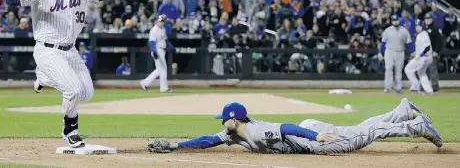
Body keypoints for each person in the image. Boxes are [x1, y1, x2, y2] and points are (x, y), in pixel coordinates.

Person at [5, 0, 133, 148]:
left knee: (86, 93)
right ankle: (70, 130)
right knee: (72, 90)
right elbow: (11, 1)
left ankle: (44, 77)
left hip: (70, 51)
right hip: (47, 50)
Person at [147, 99, 442, 154]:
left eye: (224, 119)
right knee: (359, 128)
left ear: (235, 119)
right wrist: (176, 145)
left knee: (362, 137)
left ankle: (415, 126)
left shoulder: (257, 131)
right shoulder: (233, 134)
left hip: (310, 138)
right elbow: (206, 140)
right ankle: (400, 111)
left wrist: (316, 135)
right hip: (306, 133)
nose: (221, 123)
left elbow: (288, 127)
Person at [378, 14, 414, 94]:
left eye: (396, 20)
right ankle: (387, 87)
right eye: (393, 20)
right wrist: (380, 52)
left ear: (399, 20)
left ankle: (398, 88)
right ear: (391, 21)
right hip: (389, 51)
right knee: (388, 68)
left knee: (398, 70)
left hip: (400, 52)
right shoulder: (387, 30)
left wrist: (412, 52)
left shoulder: (404, 30)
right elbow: (383, 43)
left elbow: (409, 43)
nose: (395, 21)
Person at [139, 15, 174, 93]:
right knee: (162, 69)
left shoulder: (163, 29)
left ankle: (145, 82)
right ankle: (163, 88)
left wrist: (170, 47)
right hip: (157, 50)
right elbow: (151, 42)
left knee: (160, 70)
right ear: (157, 21)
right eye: (160, 21)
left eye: (162, 21)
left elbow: (165, 40)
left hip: (162, 50)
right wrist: (154, 51)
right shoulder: (154, 30)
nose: (161, 23)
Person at [404, 20, 435, 95]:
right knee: (422, 73)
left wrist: (420, 55)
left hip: (424, 57)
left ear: (422, 26)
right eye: (416, 26)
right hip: (424, 57)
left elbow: (427, 47)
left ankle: (415, 86)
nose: (417, 28)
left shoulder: (423, 34)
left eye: (419, 26)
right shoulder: (420, 34)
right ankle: (428, 90)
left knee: (408, 69)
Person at [424, 13, 443, 92]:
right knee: (423, 69)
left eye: (429, 19)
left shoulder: (435, 29)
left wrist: (436, 51)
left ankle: (435, 86)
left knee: (433, 69)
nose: (428, 20)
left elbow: (440, 42)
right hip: (424, 53)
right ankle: (425, 85)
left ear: (432, 19)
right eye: (426, 19)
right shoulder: (424, 28)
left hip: (432, 52)